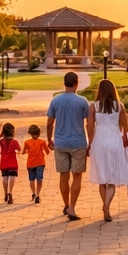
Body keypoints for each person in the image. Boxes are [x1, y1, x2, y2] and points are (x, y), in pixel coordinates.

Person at [46, 70, 94, 221]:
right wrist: (90, 142)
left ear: (64, 83)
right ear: (76, 83)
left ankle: (66, 204)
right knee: (77, 175)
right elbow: (89, 123)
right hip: (78, 142)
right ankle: (72, 207)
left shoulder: (55, 101)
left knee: (63, 175)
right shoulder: (82, 101)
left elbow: (49, 123)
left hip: (60, 142)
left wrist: (49, 139)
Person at [87, 78, 128, 221]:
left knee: (102, 178)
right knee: (111, 178)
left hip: (99, 140)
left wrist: (89, 143)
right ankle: (107, 207)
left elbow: (89, 127)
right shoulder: (119, 106)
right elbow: (126, 127)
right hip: (114, 141)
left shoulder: (94, 106)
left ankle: (105, 206)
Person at [22, 124, 49, 203]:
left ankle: (33, 193)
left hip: (30, 163)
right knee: (39, 179)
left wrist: (29, 151)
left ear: (30, 133)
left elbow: (23, 152)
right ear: (39, 133)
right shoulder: (42, 142)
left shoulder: (27, 142)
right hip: (40, 162)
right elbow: (47, 152)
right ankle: (37, 194)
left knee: (32, 179)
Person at [0, 122, 20, 204]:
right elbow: (19, 149)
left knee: (5, 177)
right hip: (12, 161)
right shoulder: (15, 141)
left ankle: (5, 193)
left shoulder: (2, 141)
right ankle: (10, 193)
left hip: (4, 161)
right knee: (12, 176)